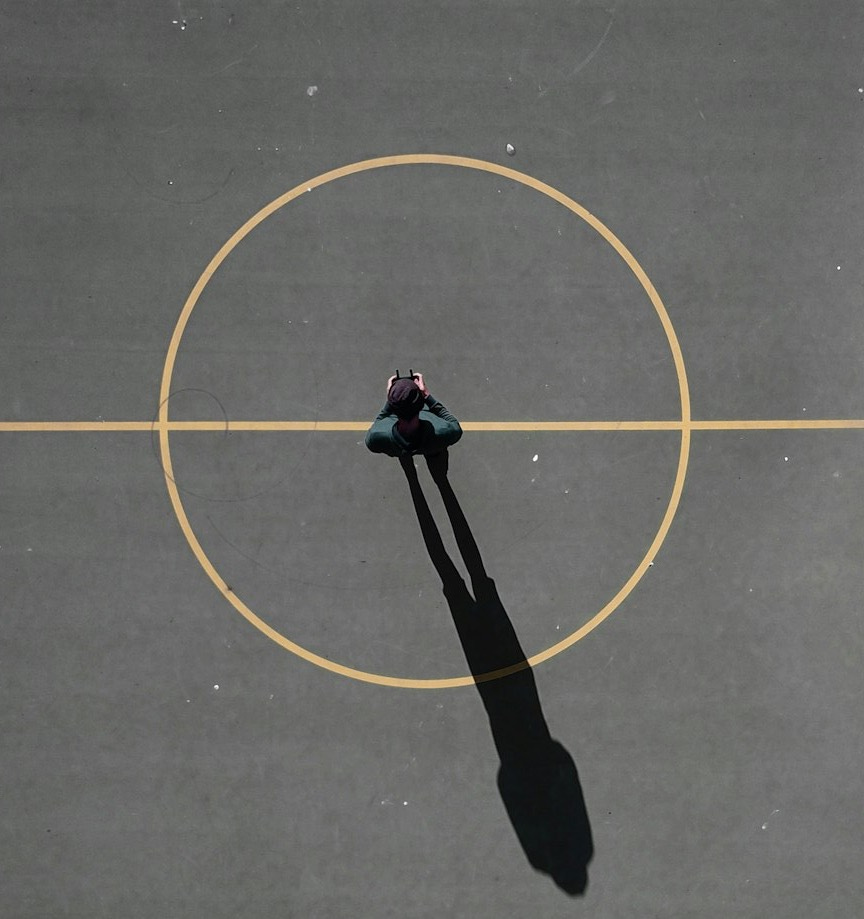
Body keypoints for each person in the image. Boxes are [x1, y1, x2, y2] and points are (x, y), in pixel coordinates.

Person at [365, 371, 462, 458]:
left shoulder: (376, 436)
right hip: (432, 446)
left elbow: (378, 424)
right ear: (422, 405)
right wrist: (426, 395)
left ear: (392, 407)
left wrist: (392, 399)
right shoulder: (443, 431)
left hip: (397, 448)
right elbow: (454, 424)